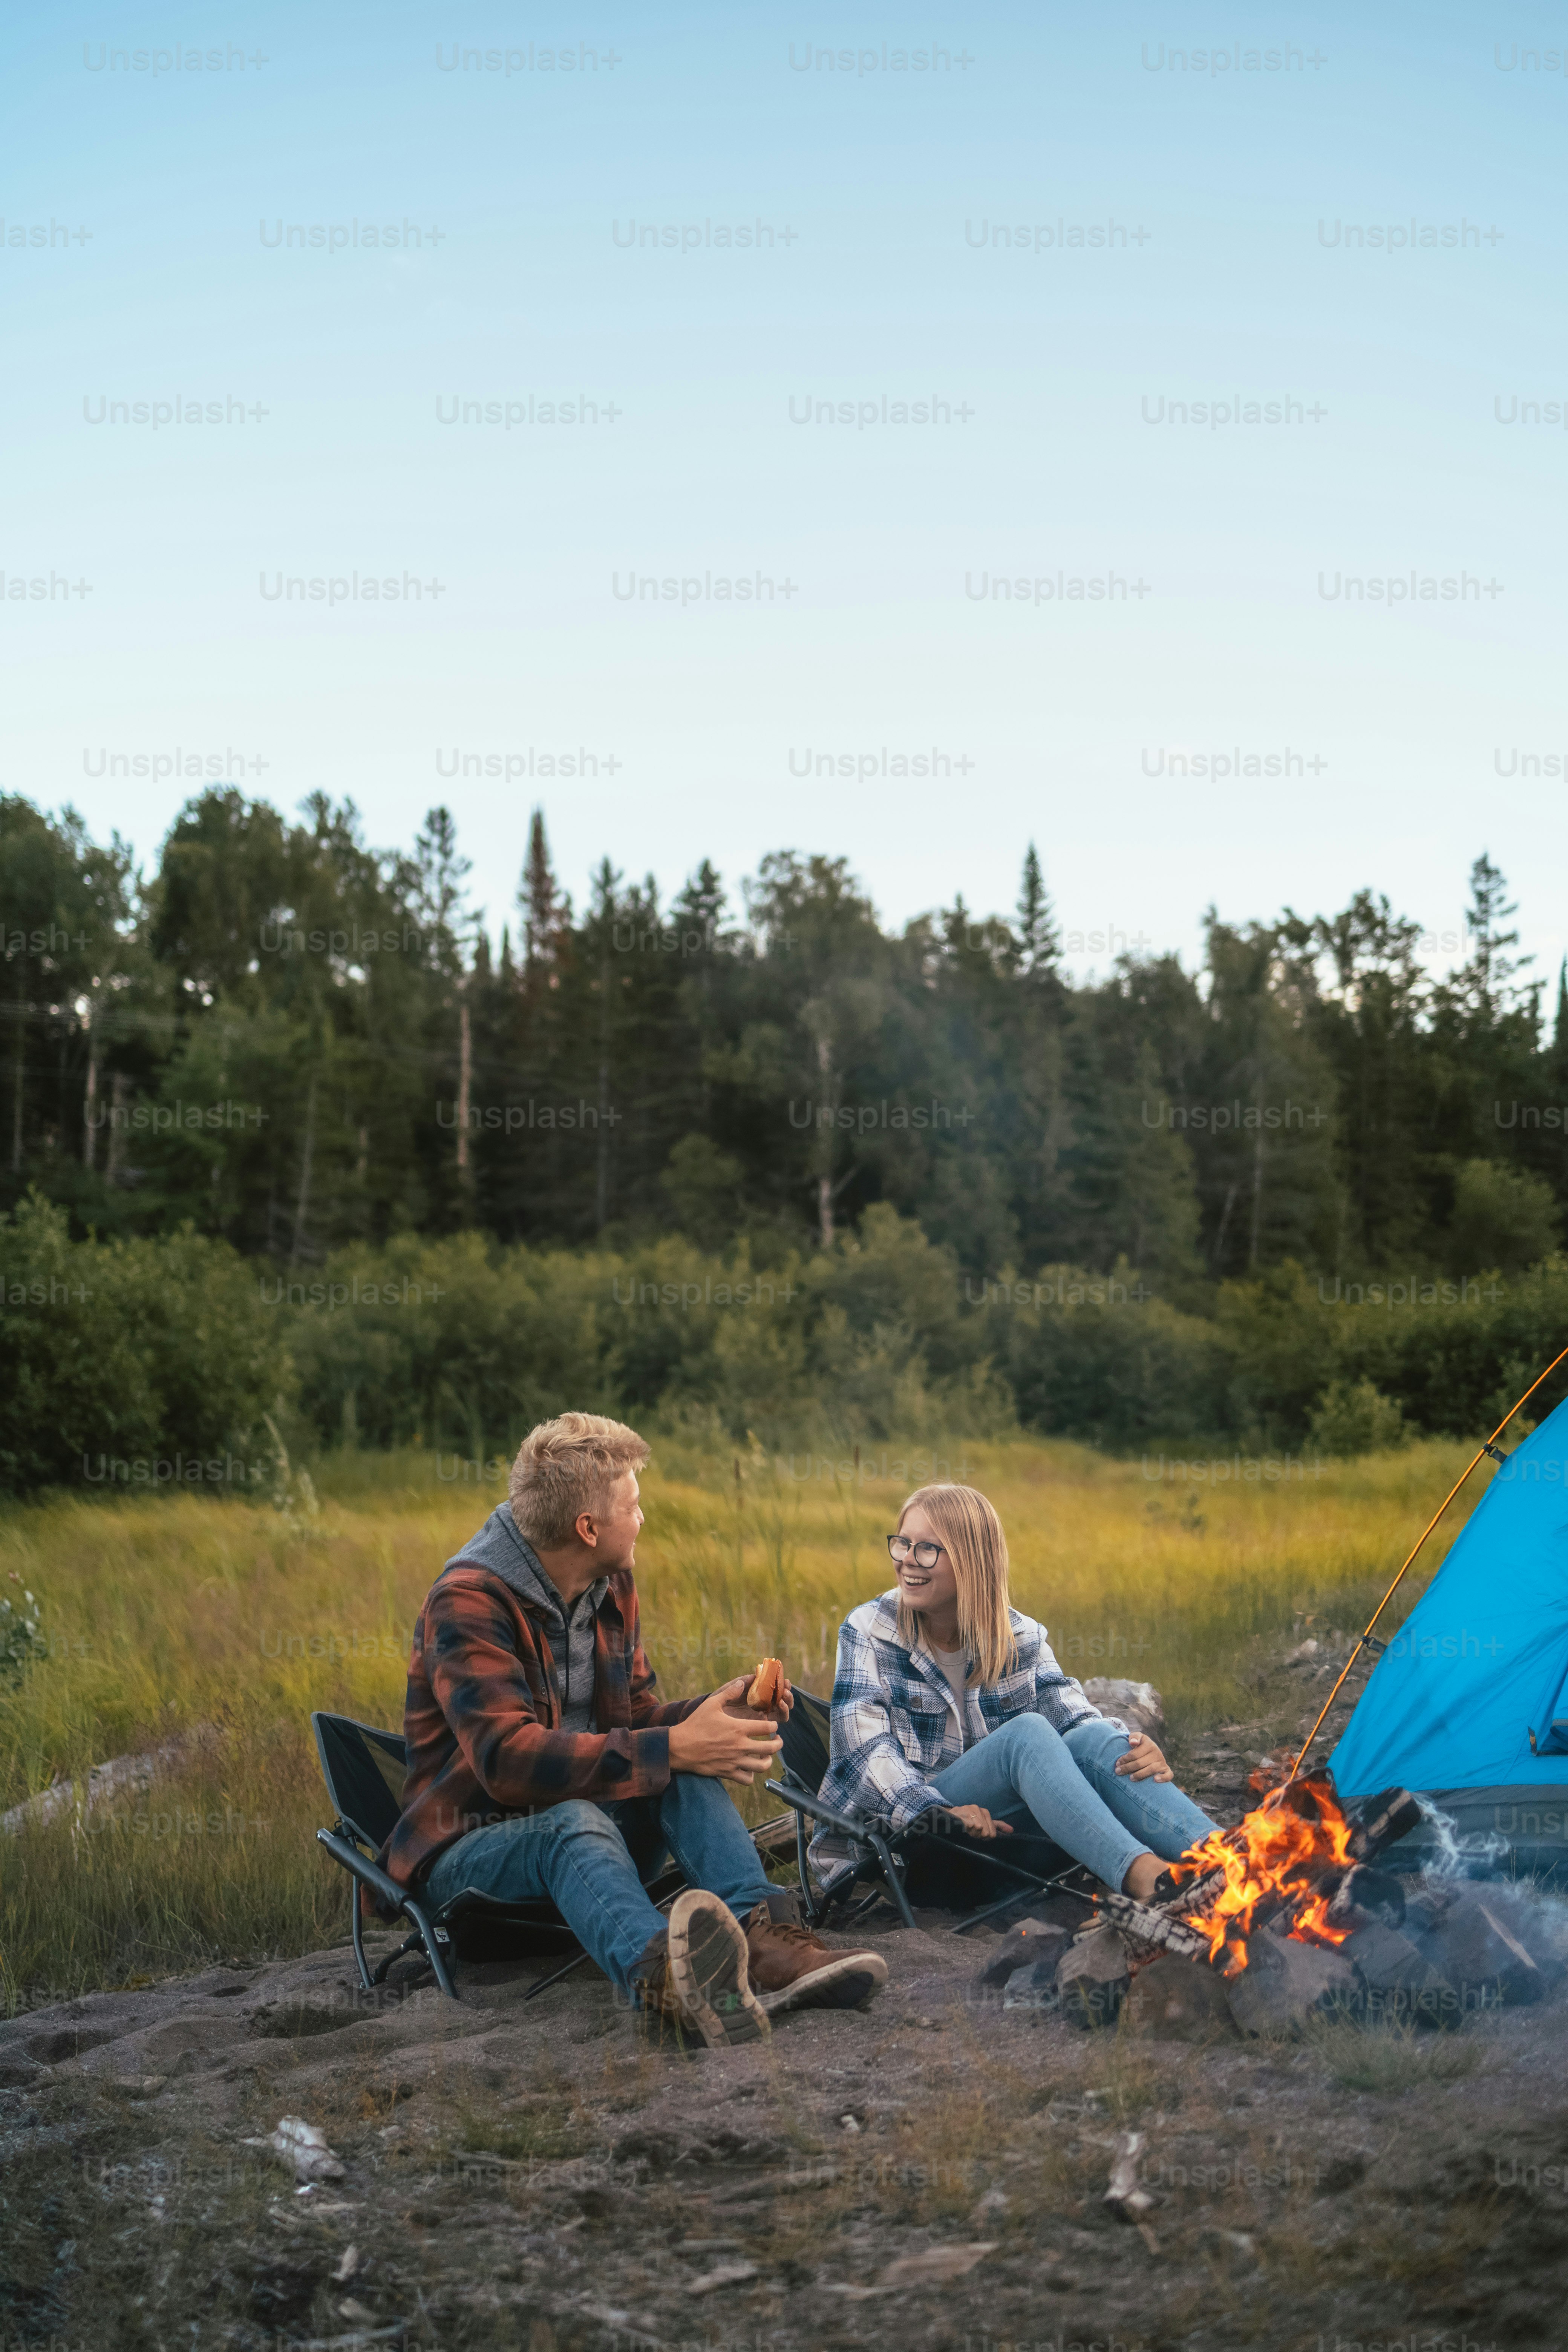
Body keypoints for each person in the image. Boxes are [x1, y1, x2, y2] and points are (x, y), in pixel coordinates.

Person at [380, 1412, 887, 2045]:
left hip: (597, 1855)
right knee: (581, 1817)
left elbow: (638, 1724)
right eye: (634, 1504)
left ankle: (768, 1947)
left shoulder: (608, 1581)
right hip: (475, 1866)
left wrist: (709, 1716)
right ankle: (670, 1983)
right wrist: (673, 1744)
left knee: (677, 1766)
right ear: (587, 1528)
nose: (643, 1518)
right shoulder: (469, 1601)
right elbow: (507, 1764)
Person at [815, 1481, 1217, 1900]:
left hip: (1004, 1842)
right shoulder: (869, 1630)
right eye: (902, 1544)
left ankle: (1233, 1861)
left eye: (927, 1549)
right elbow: (865, 1756)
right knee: (1025, 1735)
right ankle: (1144, 1877)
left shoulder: (1016, 1635)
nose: (907, 1562)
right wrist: (934, 1810)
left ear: (972, 1560)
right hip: (915, 1844)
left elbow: (1074, 1716)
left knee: (1094, 1737)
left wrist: (1129, 1745)